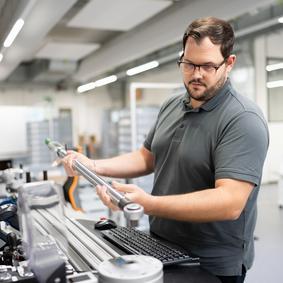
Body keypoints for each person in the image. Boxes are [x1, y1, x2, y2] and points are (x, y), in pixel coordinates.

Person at [62, 17, 269, 283]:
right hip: (161, 246)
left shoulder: (243, 119)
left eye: (207, 66)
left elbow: (230, 202)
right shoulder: (173, 104)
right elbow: (145, 157)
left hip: (211, 264)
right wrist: (92, 165)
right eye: (189, 63)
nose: (196, 74)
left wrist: (148, 204)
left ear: (229, 64)